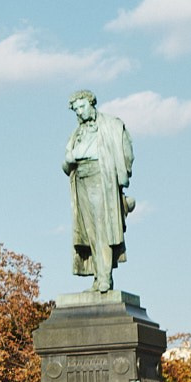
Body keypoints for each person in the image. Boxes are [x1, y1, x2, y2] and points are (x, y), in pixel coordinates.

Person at [62, 89, 134, 295]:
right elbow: (67, 164)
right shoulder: (76, 133)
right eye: (75, 110)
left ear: (91, 103)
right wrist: (68, 161)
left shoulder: (111, 125)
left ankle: (104, 278)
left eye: (81, 107)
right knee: (90, 232)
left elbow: (127, 153)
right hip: (81, 181)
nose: (79, 113)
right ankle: (98, 277)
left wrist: (121, 177)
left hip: (102, 179)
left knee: (102, 228)